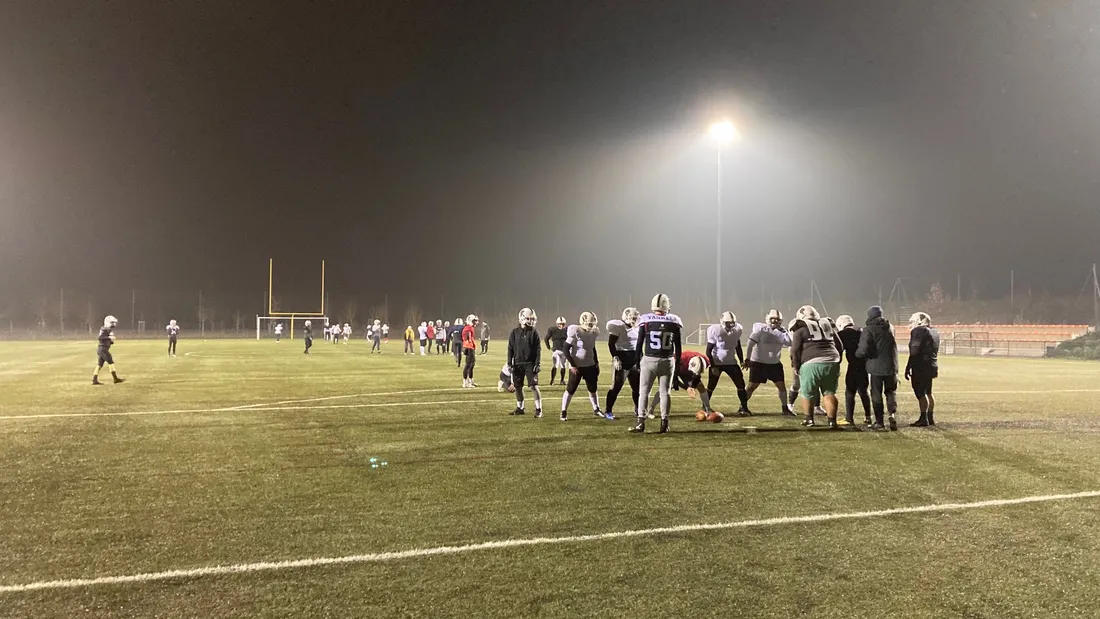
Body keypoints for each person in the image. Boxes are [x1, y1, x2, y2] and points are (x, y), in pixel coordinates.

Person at [630, 293, 682, 434]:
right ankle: (664, 423)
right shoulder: (674, 320)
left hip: (649, 359)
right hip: (667, 360)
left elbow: (639, 342)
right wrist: (677, 366)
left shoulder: (646, 320)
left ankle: (641, 422)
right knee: (665, 393)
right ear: (667, 306)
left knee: (644, 392)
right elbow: (678, 346)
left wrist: (637, 360)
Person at [789, 306, 843, 428]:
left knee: (807, 393)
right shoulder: (827, 326)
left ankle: (809, 419)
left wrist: (796, 367)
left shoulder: (800, 330)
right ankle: (832, 422)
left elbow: (795, 351)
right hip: (832, 361)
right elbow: (839, 345)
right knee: (829, 392)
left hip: (811, 363)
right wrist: (837, 360)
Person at [743, 310, 794, 415]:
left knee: (781, 387)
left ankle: (785, 409)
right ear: (767, 319)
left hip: (774, 363)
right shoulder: (760, 329)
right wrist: (747, 358)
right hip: (758, 362)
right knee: (752, 386)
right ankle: (742, 407)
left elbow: (790, 342)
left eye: (778, 319)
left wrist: (784, 331)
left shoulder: (782, 332)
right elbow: (750, 343)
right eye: (773, 318)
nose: (775, 321)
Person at [857, 305, 899, 431]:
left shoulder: (869, 329)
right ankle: (891, 414)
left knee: (876, 393)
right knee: (890, 391)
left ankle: (879, 422)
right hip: (891, 365)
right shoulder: (890, 327)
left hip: (875, 366)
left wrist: (857, 355)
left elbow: (863, 349)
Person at [644, 350, 717, 418]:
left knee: (700, 387)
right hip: (676, 369)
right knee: (665, 388)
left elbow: (697, 376)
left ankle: (708, 408)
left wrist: (692, 387)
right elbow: (674, 379)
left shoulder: (706, 361)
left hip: (686, 370)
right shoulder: (680, 359)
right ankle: (651, 409)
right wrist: (687, 388)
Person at [706, 311, 751, 416]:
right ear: (722, 322)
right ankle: (705, 407)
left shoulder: (737, 329)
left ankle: (744, 408)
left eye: (732, 323)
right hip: (717, 361)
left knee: (741, 384)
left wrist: (741, 360)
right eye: (728, 323)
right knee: (711, 385)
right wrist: (713, 366)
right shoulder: (715, 330)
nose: (731, 325)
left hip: (731, 361)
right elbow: (708, 351)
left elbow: (738, 345)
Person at [561, 311, 603, 421]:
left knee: (593, 389)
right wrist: (573, 365)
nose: (591, 326)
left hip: (590, 364)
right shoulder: (576, 330)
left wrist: (596, 363)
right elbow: (565, 349)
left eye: (592, 324)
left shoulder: (594, 332)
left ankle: (596, 409)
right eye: (589, 324)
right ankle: (563, 411)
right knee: (570, 389)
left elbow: (593, 348)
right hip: (577, 365)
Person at [605, 307, 640, 421]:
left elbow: (638, 345)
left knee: (637, 388)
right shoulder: (619, 327)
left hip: (634, 360)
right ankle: (608, 410)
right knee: (616, 387)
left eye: (635, 318)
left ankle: (638, 409)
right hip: (622, 359)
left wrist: (641, 359)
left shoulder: (637, 328)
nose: (634, 320)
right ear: (626, 317)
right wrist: (615, 358)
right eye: (632, 318)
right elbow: (611, 344)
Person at [905, 312, 941, 427]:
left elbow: (914, 351)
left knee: (920, 392)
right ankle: (930, 418)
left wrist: (908, 366)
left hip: (920, 366)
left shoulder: (919, 331)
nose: (911, 323)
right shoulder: (935, 331)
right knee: (929, 392)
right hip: (932, 365)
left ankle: (923, 418)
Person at [507, 308, 544, 417]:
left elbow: (538, 349)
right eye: (528, 318)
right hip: (518, 363)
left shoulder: (534, 332)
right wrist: (509, 363)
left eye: (532, 319)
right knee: (518, 387)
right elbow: (510, 348)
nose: (531, 321)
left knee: (533, 386)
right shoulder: (514, 332)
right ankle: (520, 408)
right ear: (522, 318)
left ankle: (538, 409)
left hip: (530, 363)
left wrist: (537, 363)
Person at [836, 315, 872, 426]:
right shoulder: (861, 331)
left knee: (850, 392)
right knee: (864, 391)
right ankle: (868, 417)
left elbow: (839, 351)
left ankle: (849, 418)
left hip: (853, 365)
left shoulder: (842, 334)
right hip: (865, 365)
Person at [92, 315, 125, 385]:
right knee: (111, 362)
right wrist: (109, 338)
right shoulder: (104, 329)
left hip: (102, 349)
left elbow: (106, 339)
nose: (114, 324)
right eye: (112, 323)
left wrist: (111, 341)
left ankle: (94, 380)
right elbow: (100, 338)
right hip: (103, 349)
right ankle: (115, 379)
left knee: (99, 365)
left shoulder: (107, 329)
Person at [545, 317, 569, 385]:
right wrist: (549, 347)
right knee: (555, 365)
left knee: (563, 366)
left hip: (564, 352)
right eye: (559, 324)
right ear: (557, 324)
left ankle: (562, 380)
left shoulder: (567, 330)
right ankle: (552, 380)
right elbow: (546, 339)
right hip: (556, 351)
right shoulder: (553, 330)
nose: (561, 325)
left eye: (563, 324)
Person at [461, 314, 479, 388]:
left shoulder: (468, 327)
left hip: (468, 347)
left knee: (471, 365)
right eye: (474, 321)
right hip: (468, 347)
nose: (475, 323)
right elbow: (469, 338)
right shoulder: (468, 328)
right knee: (468, 365)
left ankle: (470, 381)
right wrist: (472, 346)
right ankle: (465, 382)